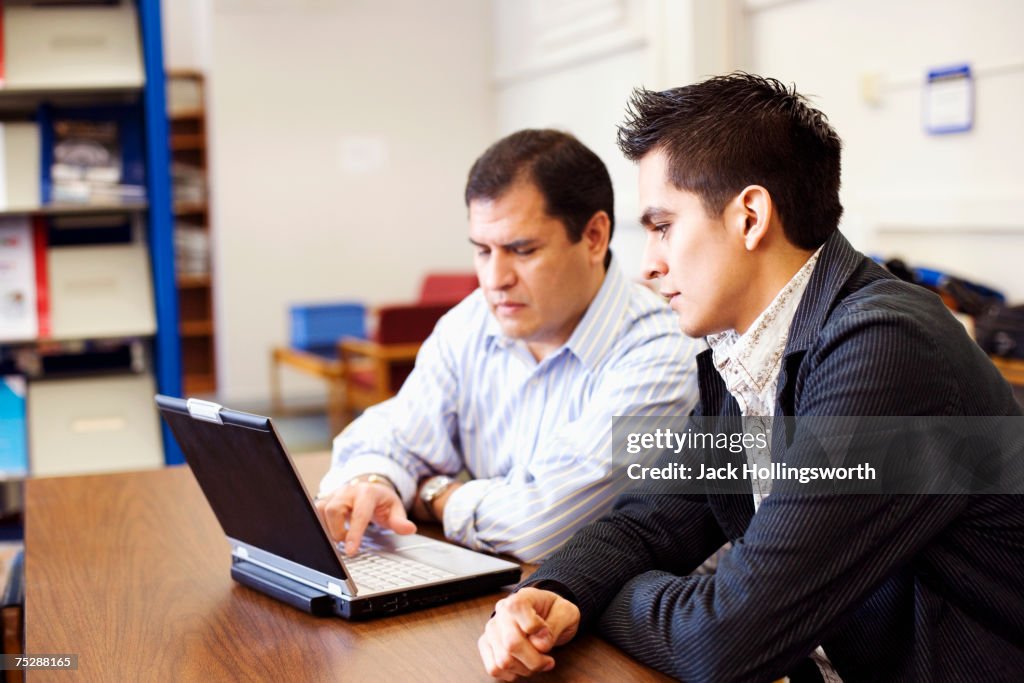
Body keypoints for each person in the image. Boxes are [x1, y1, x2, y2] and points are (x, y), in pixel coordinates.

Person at [478, 74, 1024, 681]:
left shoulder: (887, 346)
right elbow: (653, 517)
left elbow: (722, 641)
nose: (649, 266)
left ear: (750, 217)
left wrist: (598, 602)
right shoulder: (745, 345)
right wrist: (558, 590)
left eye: (662, 227)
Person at [315, 129, 702, 564]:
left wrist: (434, 493)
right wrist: (374, 481)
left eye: (521, 250)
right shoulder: (473, 320)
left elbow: (540, 528)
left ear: (594, 237)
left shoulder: (661, 353)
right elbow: (396, 434)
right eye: (482, 250)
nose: (495, 279)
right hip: (504, 595)